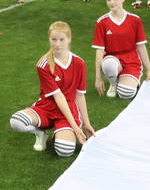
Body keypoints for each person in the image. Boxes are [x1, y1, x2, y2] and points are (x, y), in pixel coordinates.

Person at [9, 21, 93, 157]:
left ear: (69, 39)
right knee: (16, 121)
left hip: (68, 110)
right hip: (47, 107)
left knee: (65, 151)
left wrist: (85, 124)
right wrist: (75, 128)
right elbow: (58, 96)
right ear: (49, 39)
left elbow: (80, 95)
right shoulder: (43, 64)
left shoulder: (79, 63)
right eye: (54, 39)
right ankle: (40, 133)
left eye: (61, 39)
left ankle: (59, 132)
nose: (57, 44)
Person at [93, 0, 150, 100]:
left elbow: (141, 47)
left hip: (132, 61)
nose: (112, 2)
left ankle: (126, 80)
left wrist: (149, 69)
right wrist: (98, 78)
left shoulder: (135, 20)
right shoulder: (102, 22)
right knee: (108, 64)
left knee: (126, 93)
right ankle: (113, 83)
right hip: (113, 60)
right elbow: (99, 51)